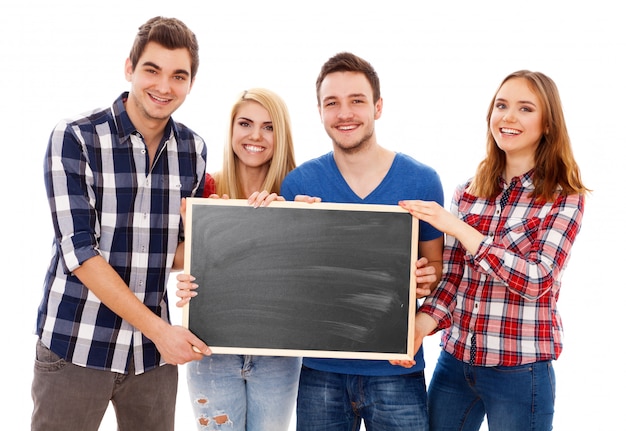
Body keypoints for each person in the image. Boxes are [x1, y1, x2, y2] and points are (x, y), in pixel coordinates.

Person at [31, 16, 211, 431]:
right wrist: (160, 331)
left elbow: (180, 249)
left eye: (178, 76)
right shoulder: (75, 138)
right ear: (129, 67)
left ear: (190, 83)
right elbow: (80, 252)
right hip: (77, 344)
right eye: (152, 70)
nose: (164, 87)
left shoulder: (193, 151)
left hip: (151, 361)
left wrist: (232, 239)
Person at [396, 70, 589, 431]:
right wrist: (421, 326)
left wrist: (460, 229)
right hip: (456, 364)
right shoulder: (468, 191)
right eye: (501, 105)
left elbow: (537, 280)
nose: (508, 117)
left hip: (520, 370)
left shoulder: (564, 199)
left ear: (548, 124)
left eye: (525, 108)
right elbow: (453, 278)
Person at [279, 52, 445, 431]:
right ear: (320, 112)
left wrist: (425, 277)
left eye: (357, 100)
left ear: (378, 107)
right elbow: (287, 281)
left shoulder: (421, 180)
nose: (344, 113)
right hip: (321, 372)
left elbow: (437, 268)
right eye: (332, 103)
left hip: (397, 369)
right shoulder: (299, 185)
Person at [175, 88, 301, 430]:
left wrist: (304, 217)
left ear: (282, 134)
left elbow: (309, 271)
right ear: (232, 131)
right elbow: (175, 256)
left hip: (278, 350)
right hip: (212, 345)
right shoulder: (206, 189)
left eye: (269, 126)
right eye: (245, 124)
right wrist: (191, 267)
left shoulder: (297, 193)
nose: (255, 136)